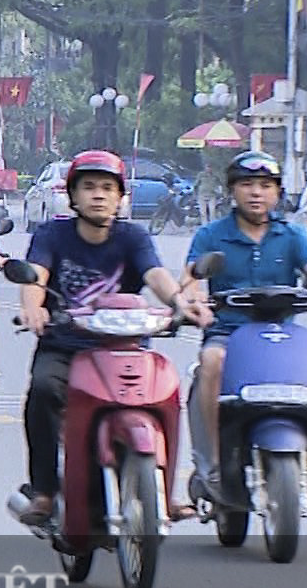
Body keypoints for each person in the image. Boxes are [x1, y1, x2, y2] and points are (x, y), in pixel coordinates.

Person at [15, 150, 211, 526]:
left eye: (108, 188)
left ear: (122, 197)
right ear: (72, 196)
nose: (99, 195)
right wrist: (34, 308)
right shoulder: (52, 234)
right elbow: (36, 277)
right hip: (65, 347)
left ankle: (163, 493)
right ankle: (43, 490)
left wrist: (180, 303)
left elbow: (156, 275)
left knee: (166, 396)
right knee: (42, 389)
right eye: (88, 187)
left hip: (127, 349)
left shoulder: (133, 236)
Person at [183, 150, 307, 500]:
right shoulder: (211, 235)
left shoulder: (291, 235)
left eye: (265, 185)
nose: (256, 193)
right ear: (233, 190)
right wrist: (195, 300)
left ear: (277, 192)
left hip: (282, 337)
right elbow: (191, 278)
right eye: (247, 184)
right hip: (228, 333)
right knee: (212, 362)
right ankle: (214, 462)